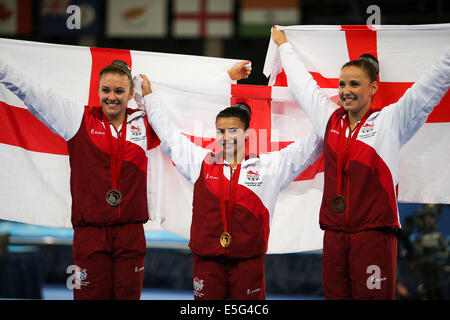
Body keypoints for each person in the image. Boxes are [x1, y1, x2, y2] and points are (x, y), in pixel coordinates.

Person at [0, 57, 250, 300]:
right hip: (90, 234)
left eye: (119, 91)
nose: (111, 96)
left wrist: (226, 78)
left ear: (131, 94)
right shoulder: (76, 119)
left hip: (130, 234)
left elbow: (184, 106)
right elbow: (31, 92)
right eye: (105, 90)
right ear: (97, 90)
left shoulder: (144, 121)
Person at [271, 26, 450, 299]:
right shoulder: (329, 119)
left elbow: (434, 81)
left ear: (373, 87)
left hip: (373, 236)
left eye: (354, 84)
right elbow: (302, 85)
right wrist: (283, 46)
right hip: (334, 235)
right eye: (342, 84)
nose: (346, 91)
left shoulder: (391, 121)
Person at [138, 72, 323, 300]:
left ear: (247, 134)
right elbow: (169, 136)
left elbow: (309, 147)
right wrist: (150, 98)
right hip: (208, 264)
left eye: (233, 130)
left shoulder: (268, 168)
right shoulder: (201, 163)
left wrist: (333, 115)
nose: (226, 136)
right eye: (221, 131)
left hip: (248, 266)